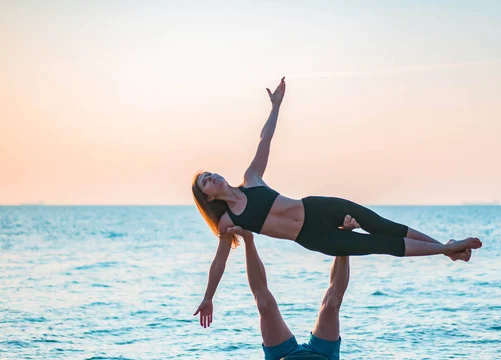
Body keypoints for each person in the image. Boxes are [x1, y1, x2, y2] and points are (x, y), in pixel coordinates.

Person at [192, 77, 482, 326]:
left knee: (383, 225)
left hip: (319, 208)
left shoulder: (252, 178)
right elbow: (219, 262)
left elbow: (264, 139)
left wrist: (276, 107)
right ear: (208, 196)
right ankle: (448, 248)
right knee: (379, 245)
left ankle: (447, 249)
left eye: (210, 172)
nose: (213, 177)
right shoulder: (229, 221)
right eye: (206, 180)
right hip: (316, 237)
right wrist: (207, 298)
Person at [217, 217, 379, 360]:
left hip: (281, 356)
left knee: (264, 305)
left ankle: (249, 239)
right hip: (323, 355)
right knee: (331, 304)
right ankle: (344, 237)